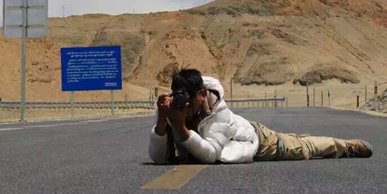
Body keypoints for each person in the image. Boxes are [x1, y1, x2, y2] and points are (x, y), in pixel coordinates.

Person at [149, 69, 373, 164]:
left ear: (202, 94)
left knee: (303, 150)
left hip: (257, 140)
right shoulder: (172, 109)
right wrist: (161, 122)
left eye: (191, 101)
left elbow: (210, 154)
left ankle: (345, 146)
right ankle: (297, 137)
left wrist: (181, 129)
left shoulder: (219, 111)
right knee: (295, 140)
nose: (185, 108)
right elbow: (159, 160)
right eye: (181, 100)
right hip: (239, 138)